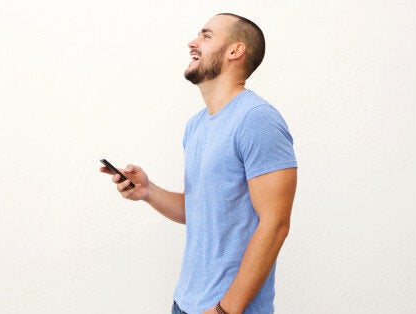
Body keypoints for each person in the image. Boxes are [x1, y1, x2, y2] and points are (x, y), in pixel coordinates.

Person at [100, 13, 297, 314]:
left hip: (229, 309)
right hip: (186, 302)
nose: (193, 42)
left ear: (235, 50)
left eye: (206, 36)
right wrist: (148, 191)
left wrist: (225, 310)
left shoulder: (257, 119)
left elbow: (275, 225)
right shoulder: (196, 126)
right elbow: (202, 210)